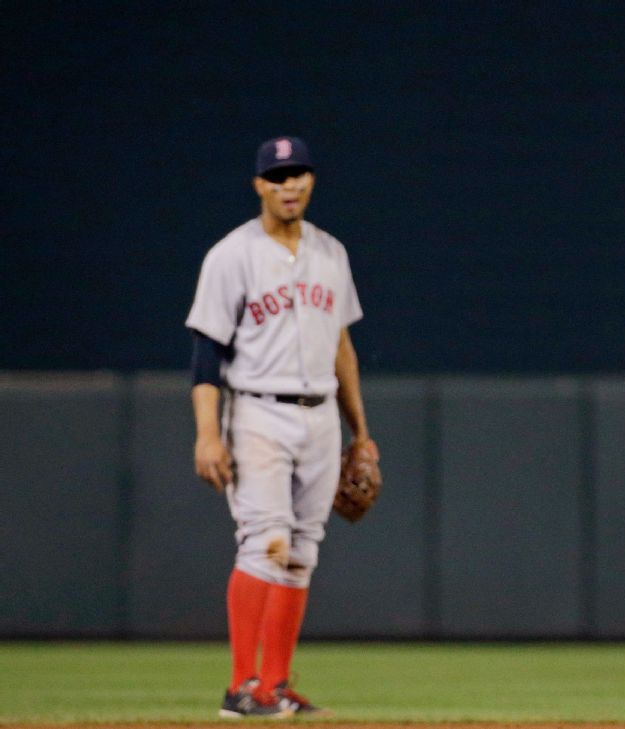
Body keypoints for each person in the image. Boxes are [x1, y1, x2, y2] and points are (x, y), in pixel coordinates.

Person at [186, 135, 376, 718]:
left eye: (298, 173)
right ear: (259, 186)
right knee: (264, 542)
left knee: (300, 550)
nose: (289, 184)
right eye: (277, 175)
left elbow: (342, 347)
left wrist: (360, 433)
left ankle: (275, 685)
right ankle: (241, 686)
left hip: (320, 415)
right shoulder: (231, 255)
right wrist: (207, 433)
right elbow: (205, 351)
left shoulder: (331, 253)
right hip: (257, 411)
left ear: (311, 181)